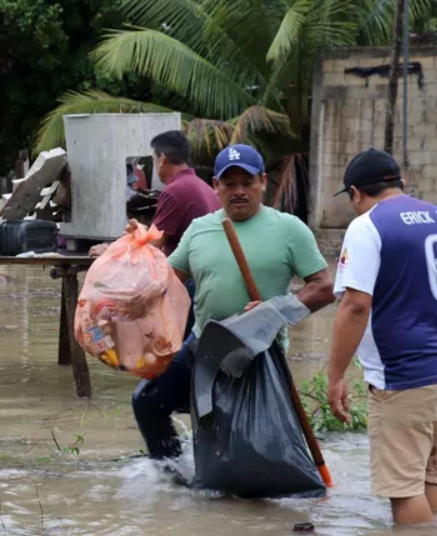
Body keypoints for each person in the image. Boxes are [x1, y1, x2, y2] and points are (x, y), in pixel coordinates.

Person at [131, 143, 335, 462]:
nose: (239, 191)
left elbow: (324, 287)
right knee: (147, 401)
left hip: (259, 350)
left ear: (263, 182)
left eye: (247, 183)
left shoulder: (289, 229)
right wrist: (133, 252)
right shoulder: (200, 230)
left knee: (249, 443)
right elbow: (166, 280)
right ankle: (170, 476)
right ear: (216, 186)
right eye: (229, 184)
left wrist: (275, 310)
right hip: (204, 345)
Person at [327, 148, 437, 525]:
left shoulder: (367, 226)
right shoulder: (436, 216)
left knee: (404, 490)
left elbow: (355, 305)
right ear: (400, 182)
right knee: (431, 476)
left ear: (356, 193)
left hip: (404, 377)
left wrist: (336, 375)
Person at [90, 130, 220, 335]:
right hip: (207, 282)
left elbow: (152, 247)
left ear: (162, 159)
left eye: (154, 158)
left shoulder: (174, 191)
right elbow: (153, 236)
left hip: (186, 285)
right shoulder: (204, 188)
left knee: (168, 352)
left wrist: (110, 251)